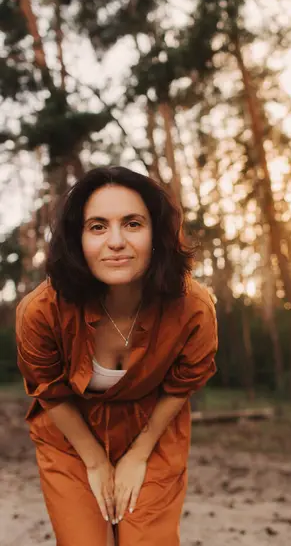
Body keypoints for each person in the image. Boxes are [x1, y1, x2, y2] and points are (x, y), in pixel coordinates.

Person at [15, 166, 218, 546]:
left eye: (133, 223)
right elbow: (48, 389)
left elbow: (186, 381)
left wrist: (139, 453)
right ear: (78, 240)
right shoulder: (40, 311)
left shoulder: (194, 306)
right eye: (97, 226)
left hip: (153, 428)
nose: (116, 241)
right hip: (69, 432)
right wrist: (93, 460)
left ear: (155, 233)